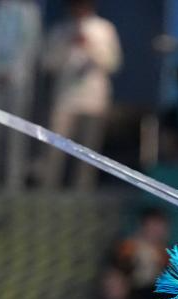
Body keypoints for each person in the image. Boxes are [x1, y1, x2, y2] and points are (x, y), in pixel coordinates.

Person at [39, 0, 122, 189]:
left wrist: (91, 47)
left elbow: (113, 63)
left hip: (94, 98)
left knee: (88, 149)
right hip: (65, 97)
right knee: (55, 145)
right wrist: (66, 46)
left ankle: (83, 190)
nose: (79, 10)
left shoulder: (104, 29)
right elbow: (47, 63)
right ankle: (48, 188)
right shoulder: (60, 30)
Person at [0, 0, 42, 190]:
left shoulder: (28, 12)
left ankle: (13, 183)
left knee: (15, 134)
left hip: (17, 82)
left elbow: (30, 46)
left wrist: (10, 72)